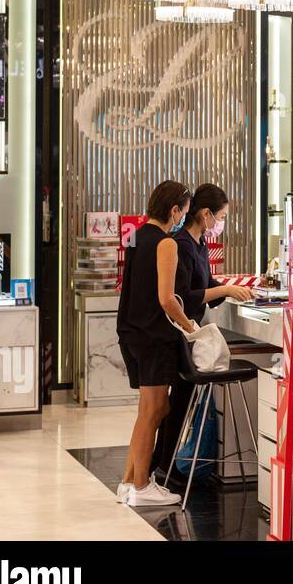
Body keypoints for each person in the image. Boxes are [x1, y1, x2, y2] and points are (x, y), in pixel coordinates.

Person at [151, 184, 252, 483]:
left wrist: (232, 291)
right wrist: (224, 289)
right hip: (181, 331)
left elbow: (207, 283)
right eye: (220, 217)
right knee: (176, 402)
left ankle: (164, 463)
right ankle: (163, 464)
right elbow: (182, 295)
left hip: (191, 331)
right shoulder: (180, 244)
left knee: (181, 402)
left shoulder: (200, 244)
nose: (221, 224)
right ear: (205, 214)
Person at [116, 181, 197, 507]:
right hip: (154, 336)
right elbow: (166, 298)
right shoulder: (166, 244)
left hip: (132, 332)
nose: (182, 219)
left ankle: (127, 481)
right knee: (153, 411)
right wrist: (189, 325)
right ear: (174, 210)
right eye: (183, 213)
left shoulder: (136, 236)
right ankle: (142, 485)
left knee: (151, 409)